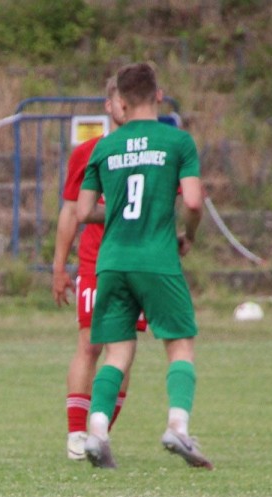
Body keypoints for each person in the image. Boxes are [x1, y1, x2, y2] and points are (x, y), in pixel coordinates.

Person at [75, 62, 212, 470]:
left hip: (112, 260)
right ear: (158, 95)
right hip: (156, 257)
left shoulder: (104, 147)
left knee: (117, 352)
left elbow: (83, 211)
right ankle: (177, 426)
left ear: (120, 100)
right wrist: (188, 235)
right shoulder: (177, 141)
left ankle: (96, 432)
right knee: (180, 344)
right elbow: (192, 201)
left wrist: (119, 213)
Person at [51, 76, 144, 461]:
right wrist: (59, 266)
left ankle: (98, 431)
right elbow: (71, 210)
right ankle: (77, 434)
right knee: (89, 344)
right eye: (118, 99)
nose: (123, 106)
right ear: (109, 105)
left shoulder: (152, 153)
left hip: (139, 262)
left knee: (123, 347)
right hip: (96, 262)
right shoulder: (90, 152)